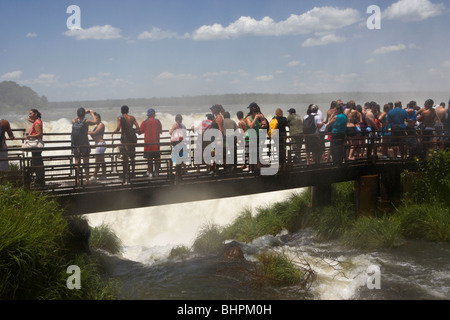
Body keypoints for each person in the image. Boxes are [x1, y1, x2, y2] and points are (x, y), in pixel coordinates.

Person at [113, 105, 139, 179]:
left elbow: (118, 128)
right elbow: (138, 128)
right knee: (133, 157)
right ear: (128, 111)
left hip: (124, 139)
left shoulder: (120, 118)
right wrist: (131, 131)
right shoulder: (132, 118)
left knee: (125, 157)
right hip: (132, 140)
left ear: (121, 111)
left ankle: (125, 173)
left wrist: (114, 132)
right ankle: (133, 173)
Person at [72, 108, 96, 185]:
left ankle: (77, 180)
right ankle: (87, 179)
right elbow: (95, 121)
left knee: (77, 162)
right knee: (86, 163)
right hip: (84, 144)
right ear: (84, 114)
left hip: (76, 145)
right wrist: (91, 113)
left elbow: (76, 117)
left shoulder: (74, 121)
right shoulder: (86, 121)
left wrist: (83, 112)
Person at [139, 108, 162, 178]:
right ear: (153, 114)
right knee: (156, 158)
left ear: (148, 115)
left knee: (149, 159)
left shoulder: (145, 122)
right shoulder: (157, 121)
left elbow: (140, 131)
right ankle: (156, 172)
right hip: (156, 144)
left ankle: (150, 172)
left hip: (148, 144)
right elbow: (160, 131)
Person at [26, 109, 45, 187]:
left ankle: (39, 181)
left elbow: (39, 134)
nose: (29, 115)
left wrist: (29, 136)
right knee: (37, 161)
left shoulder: (36, 123)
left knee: (37, 162)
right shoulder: (37, 121)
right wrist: (35, 115)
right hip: (36, 145)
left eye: (31, 113)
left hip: (36, 145)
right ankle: (39, 180)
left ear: (35, 114)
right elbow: (28, 118)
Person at [88, 112, 107, 181]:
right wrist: (91, 134)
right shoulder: (96, 126)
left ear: (99, 118)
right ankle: (104, 175)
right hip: (97, 144)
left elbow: (95, 132)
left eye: (96, 118)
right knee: (102, 161)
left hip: (101, 144)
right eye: (94, 119)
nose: (95, 120)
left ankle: (94, 176)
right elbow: (94, 137)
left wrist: (88, 132)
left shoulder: (101, 125)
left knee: (97, 161)